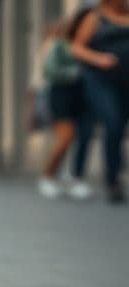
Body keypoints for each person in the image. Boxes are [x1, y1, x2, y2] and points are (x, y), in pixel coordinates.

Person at [72, 0, 129, 204]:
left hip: (126, 80)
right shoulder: (96, 18)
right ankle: (113, 180)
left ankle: (115, 172)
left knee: (119, 128)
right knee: (113, 123)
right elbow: (77, 47)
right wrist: (99, 59)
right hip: (101, 80)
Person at [37, 10, 93, 200]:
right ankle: (47, 176)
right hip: (61, 94)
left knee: (83, 137)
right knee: (65, 138)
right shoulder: (58, 45)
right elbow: (51, 71)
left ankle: (74, 179)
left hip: (83, 96)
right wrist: (78, 72)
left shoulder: (87, 45)